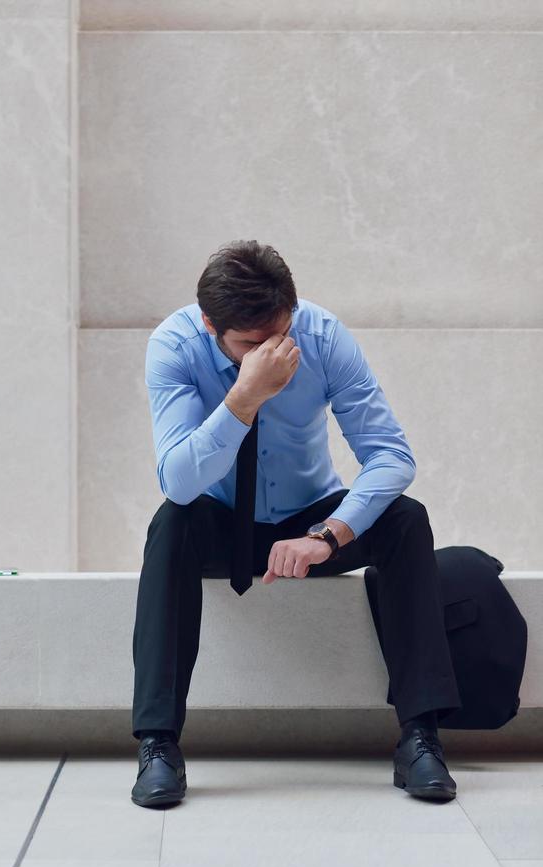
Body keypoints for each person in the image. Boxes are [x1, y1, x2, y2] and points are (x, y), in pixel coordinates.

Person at [130, 239, 462, 808]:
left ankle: (420, 738)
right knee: (171, 524)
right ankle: (159, 745)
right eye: (250, 345)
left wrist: (327, 535)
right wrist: (244, 397)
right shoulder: (175, 346)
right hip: (217, 517)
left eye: (280, 335)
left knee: (407, 520)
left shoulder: (323, 336)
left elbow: (390, 455)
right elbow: (179, 481)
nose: (272, 352)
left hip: (308, 523)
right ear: (211, 323)